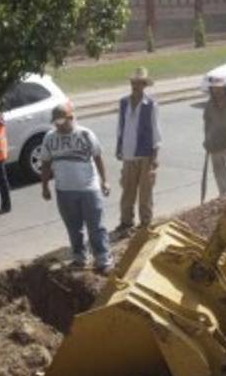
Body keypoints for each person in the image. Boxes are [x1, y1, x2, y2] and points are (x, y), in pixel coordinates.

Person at [40, 102, 113, 273]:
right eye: (55, 123)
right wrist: (45, 186)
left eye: (61, 122)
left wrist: (105, 180)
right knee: (73, 227)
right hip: (64, 190)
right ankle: (80, 258)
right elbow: (45, 163)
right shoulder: (50, 138)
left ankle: (103, 259)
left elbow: (98, 157)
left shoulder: (85, 134)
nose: (58, 126)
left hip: (89, 189)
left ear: (71, 118)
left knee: (96, 226)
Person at [115, 67, 161, 233]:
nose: (135, 86)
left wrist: (155, 157)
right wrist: (118, 147)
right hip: (128, 153)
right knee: (127, 189)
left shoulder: (151, 104)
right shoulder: (124, 103)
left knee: (145, 191)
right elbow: (121, 127)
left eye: (139, 83)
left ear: (144, 85)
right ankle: (126, 221)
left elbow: (156, 131)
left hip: (145, 154)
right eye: (133, 82)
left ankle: (145, 222)